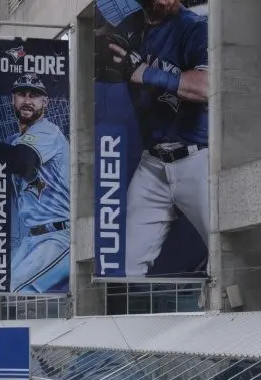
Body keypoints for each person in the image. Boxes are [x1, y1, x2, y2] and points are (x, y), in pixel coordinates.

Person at [96, 0, 209, 278]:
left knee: (226, 253)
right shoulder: (132, 28)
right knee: (121, 266)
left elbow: (206, 87)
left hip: (199, 160)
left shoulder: (194, 27)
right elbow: (100, 43)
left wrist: (144, 71)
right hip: (153, 165)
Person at [0, 74, 71, 293]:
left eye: (34, 95)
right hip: (32, 238)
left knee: (16, 289)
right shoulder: (17, 141)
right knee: (2, 292)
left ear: (45, 102)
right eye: (22, 94)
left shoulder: (48, 131)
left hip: (58, 236)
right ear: (12, 100)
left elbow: (22, 161)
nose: (27, 100)